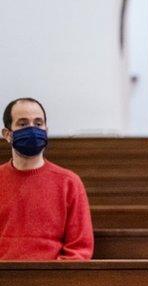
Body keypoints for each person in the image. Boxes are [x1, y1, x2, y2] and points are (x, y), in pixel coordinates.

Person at [0, 97, 93, 260]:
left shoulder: (69, 183)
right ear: (7, 134)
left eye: (38, 123)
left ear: (46, 130)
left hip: (52, 281)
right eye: (22, 124)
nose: (32, 129)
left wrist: (50, 280)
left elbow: (79, 249)